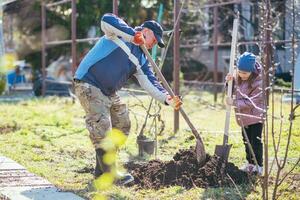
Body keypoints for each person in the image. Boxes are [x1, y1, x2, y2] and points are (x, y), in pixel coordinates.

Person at [74, 13, 182, 185]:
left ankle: (100, 170)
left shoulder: (141, 59)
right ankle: (110, 175)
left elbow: (150, 82)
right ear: (145, 31)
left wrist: (168, 99)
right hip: (89, 83)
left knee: (123, 123)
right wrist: (133, 36)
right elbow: (106, 19)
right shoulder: (120, 34)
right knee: (101, 127)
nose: (154, 44)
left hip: (108, 92)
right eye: (154, 39)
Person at [225, 52, 265, 175]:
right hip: (243, 117)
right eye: (240, 72)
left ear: (252, 71)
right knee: (246, 141)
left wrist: (234, 103)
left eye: (245, 73)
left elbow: (251, 102)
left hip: (255, 117)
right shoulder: (238, 77)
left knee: (255, 141)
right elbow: (231, 92)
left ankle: (259, 165)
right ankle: (250, 163)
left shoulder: (259, 82)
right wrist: (228, 83)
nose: (242, 75)